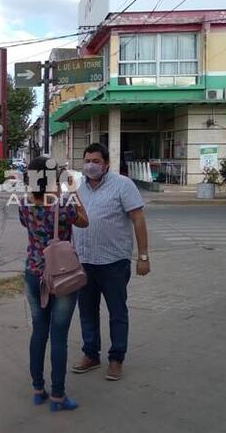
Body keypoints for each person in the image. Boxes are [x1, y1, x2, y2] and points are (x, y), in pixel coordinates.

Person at [71, 143, 151, 381]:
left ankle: (116, 358)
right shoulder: (78, 188)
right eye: (87, 160)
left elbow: (138, 219)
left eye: (96, 161)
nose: (91, 165)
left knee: (117, 312)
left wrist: (143, 256)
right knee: (87, 311)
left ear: (106, 164)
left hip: (114, 262)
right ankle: (91, 354)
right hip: (84, 262)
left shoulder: (123, 185)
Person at [19, 157, 89, 412]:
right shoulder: (64, 204)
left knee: (39, 331)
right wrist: (72, 189)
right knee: (58, 336)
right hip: (62, 276)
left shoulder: (24, 203)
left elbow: (28, 226)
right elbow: (84, 221)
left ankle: (38, 389)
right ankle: (58, 396)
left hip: (34, 273)